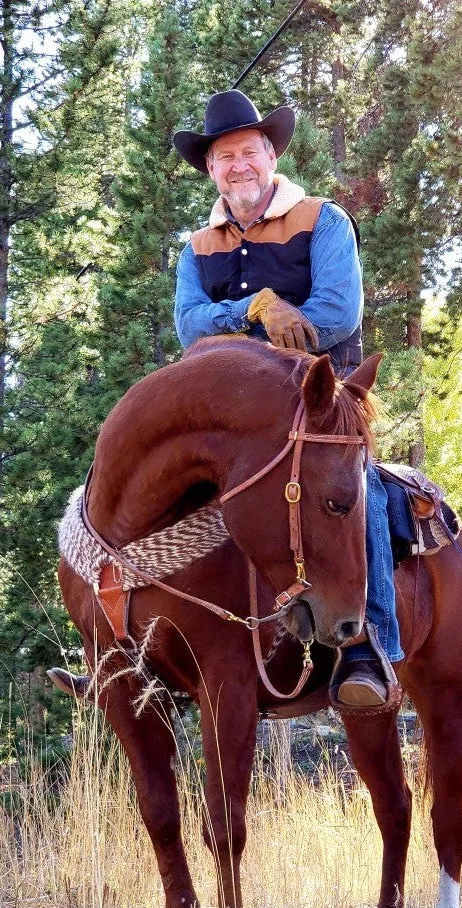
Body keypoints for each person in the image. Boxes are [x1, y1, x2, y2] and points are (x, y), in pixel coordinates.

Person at [173, 90, 403, 708]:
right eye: (225, 157)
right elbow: (190, 326)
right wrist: (255, 308)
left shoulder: (323, 220)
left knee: (361, 487)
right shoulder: (196, 247)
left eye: (250, 151)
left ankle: (367, 648)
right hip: (229, 415)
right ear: (211, 170)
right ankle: (135, 644)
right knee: (155, 483)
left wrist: (248, 333)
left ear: (271, 155)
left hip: (318, 397)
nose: (239, 165)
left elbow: (334, 314)